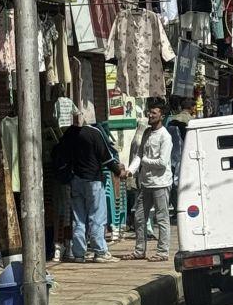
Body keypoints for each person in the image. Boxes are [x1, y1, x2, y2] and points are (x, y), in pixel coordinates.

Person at [52, 112, 122, 264]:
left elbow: (58, 152)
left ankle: (78, 254)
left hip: (75, 181)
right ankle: (100, 252)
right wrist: (119, 172)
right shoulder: (94, 133)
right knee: (96, 217)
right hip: (93, 182)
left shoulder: (69, 133)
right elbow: (107, 158)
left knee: (78, 218)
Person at [123, 105, 173, 262]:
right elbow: (139, 155)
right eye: (150, 112)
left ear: (161, 116)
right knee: (139, 216)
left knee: (162, 218)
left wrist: (144, 161)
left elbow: (162, 162)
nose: (150, 115)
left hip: (161, 183)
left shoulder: (165, 137)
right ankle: (139, 250)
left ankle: (162, 252)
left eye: (154, 113)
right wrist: (130, 170)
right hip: (146, 183)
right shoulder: (146, 133)